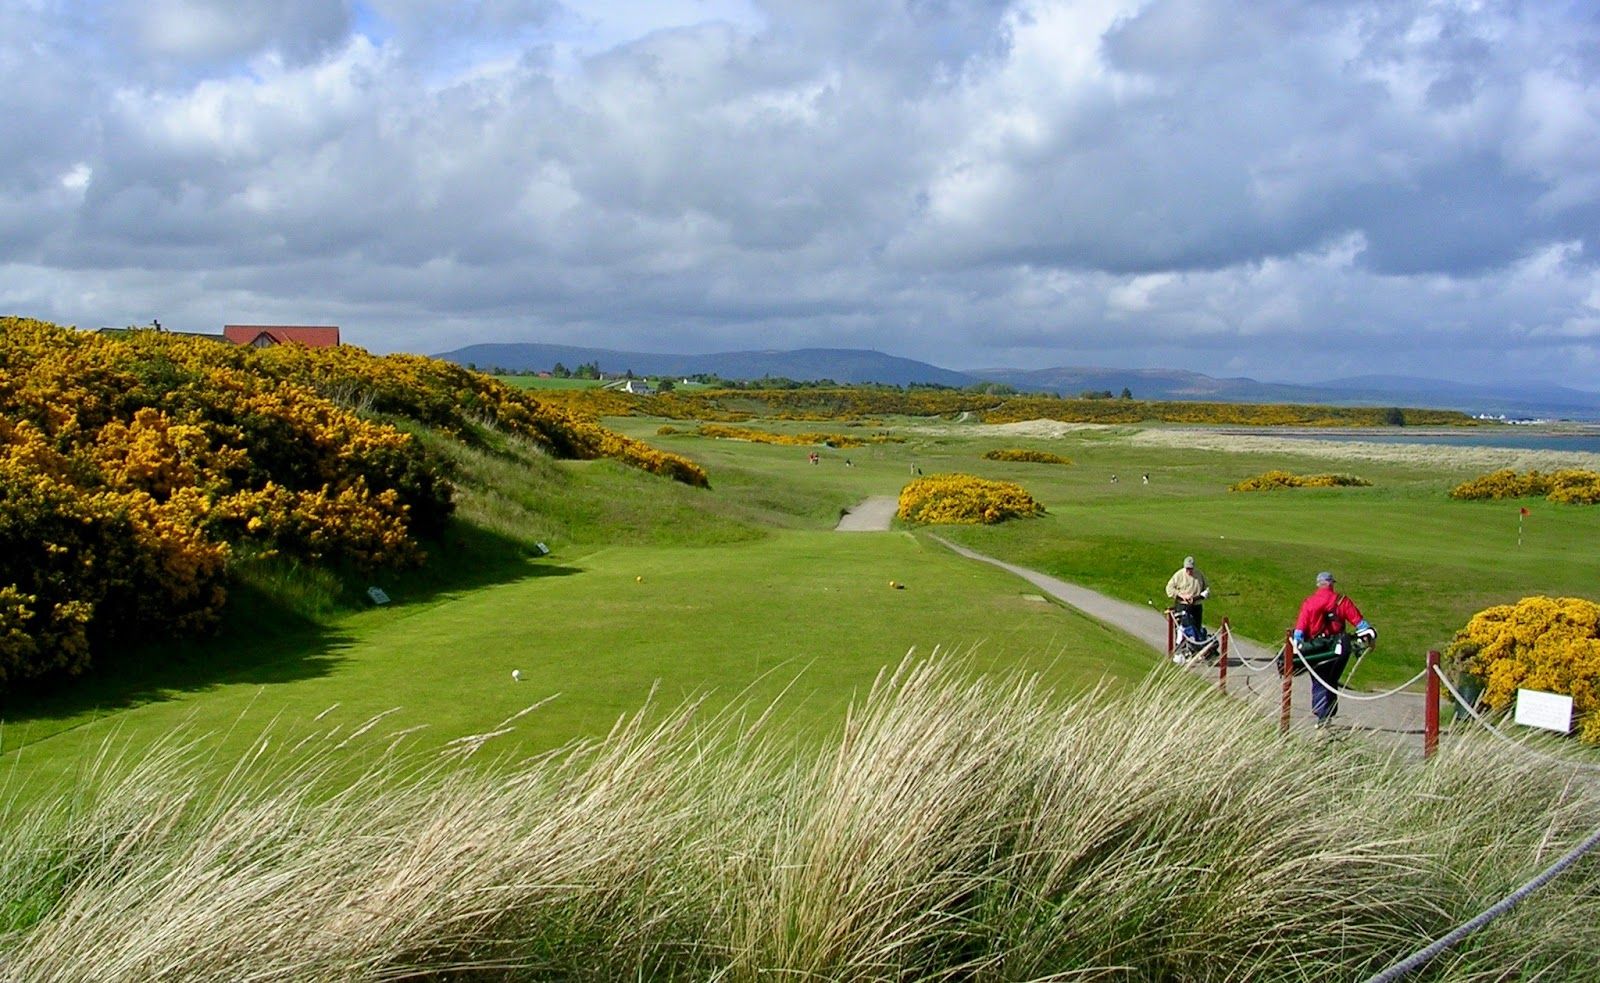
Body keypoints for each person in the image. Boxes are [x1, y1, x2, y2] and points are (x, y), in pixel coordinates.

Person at [1292, 571, 1376, 727]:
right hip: (1339, 648)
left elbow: (1299, 630)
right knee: (1331, 679)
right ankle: (1327, 714)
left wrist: (1297, 646)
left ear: (1318, 584)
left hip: (1315, 649)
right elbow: (1360, 624)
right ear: (1331, 584)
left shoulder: (1309, 602)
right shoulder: (1341, 601)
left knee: (1319, 680)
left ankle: (1322, 715)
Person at [1165, 556, 1209, 659]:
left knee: (1196, 628)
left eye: (1191, 569)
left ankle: (1196, 650)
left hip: (1196, 606)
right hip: (1182, 605)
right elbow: (1169, 589)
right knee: (1182, 629)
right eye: (1187, 569)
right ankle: (1180, 651)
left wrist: (1197, 597)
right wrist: (1182, 596)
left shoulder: (1199, 575)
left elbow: (1207, 590)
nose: (1189, 571)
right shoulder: (1179, 575)